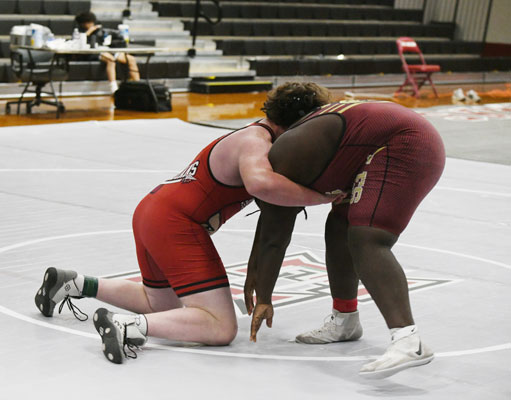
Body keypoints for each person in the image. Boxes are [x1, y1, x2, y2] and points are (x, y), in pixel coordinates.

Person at [34, 82, 337, 364]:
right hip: (175, 222)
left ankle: (74, 283)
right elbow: (260, 184)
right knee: (221, 327)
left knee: (160, 305)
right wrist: (323, 197)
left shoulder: (252, 135)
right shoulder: (256, 142)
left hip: (152, 211)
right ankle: (126, 325)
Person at [244, 99, 445, 378]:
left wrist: (264, 296)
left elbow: (275, 235)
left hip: (405, 145)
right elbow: (271, 224)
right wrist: (256, 272)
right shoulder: (314, 132)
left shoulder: (287, 149)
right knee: (339, 225)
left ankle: (409, 340)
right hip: (391, 144)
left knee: (368, 237)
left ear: (278, 128)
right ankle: (345, 320)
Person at [75, 12, 140, 93]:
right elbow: (77, 43)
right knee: (111, 60)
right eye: (87, 23)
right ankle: (114, 89)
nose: (90, 24)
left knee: (131, 59)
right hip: (94, 52)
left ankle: (138, 85)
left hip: (108, 49)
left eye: (90, 22)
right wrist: (88, 32)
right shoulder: (78, 31)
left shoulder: (100, 29)